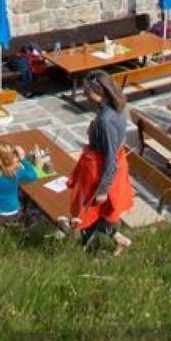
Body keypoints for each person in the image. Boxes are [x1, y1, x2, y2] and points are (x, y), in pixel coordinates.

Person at [67, 73, 134, 252]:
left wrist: (104, 189)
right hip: (101, 166)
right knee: (95, 212)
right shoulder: (114, 109)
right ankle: (116, 239)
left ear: (99, 92)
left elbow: (111, 155)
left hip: (100, 170)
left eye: (87, 91)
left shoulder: (106, 119)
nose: (85, 94)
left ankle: (90, 251)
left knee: (89, 211)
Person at [0, 141, 42, 219]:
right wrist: (23, 159)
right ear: (11, 158)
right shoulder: (16, 172)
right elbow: (33, 176)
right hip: (12, 210)